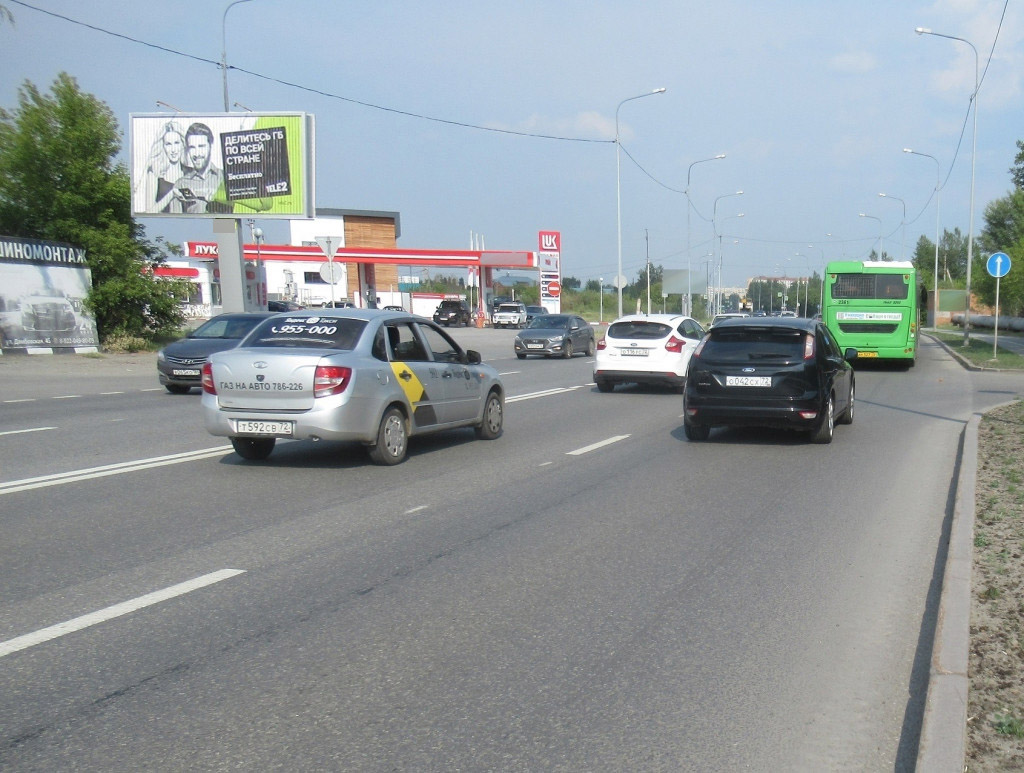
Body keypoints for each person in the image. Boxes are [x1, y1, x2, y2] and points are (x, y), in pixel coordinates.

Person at [171, 122, 233, 214]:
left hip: (221, 226)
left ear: (210, 145)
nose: (197, 153)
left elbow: (238, 213)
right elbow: (176, 222)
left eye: (201, 146)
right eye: (192, 147)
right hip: (195, 228)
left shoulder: (226, 178)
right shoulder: (181, 184)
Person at [137, 122, 186, 213]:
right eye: (168, 144)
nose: (173, 149)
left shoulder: (190, 172)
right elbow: (149, 212)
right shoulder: (155, 171)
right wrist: (171, 195)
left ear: (183, 144)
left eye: (176, 143)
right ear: (162, 146)